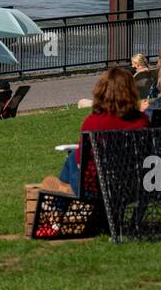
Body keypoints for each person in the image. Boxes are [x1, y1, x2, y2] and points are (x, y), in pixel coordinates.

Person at [38, 67, 149, 197]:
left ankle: (62, 198)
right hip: (133, 186)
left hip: (96, 189)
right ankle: (63, 194)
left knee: (73, 158)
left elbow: (81, 161)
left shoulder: (93, 122)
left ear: (102, 92)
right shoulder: (142, 121)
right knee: (74, 158)